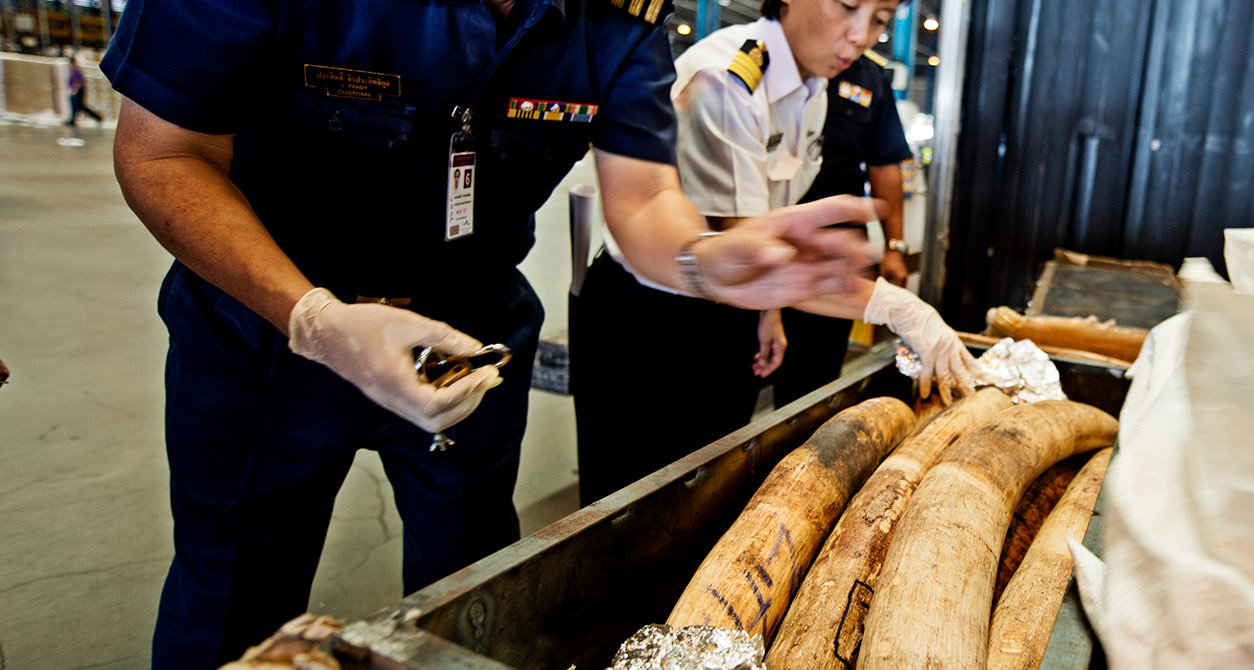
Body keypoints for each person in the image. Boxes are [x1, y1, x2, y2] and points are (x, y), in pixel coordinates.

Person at [101, 0, 880, 666]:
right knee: (236, 592)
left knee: (474, 598)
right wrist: (316, 319)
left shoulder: (618, 15)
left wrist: (706, 261)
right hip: (265, 328)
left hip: (471, 338)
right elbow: (164, 152)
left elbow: (641, 197)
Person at [570, 0, 977, 506]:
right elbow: (751, 254)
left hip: (728, 302)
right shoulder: (729, 80)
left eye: (880, 18)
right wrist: (898, 307)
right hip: (651, 316)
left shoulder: (813, 88)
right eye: (848, 6)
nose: (860, 34)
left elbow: (758, 247)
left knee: (705, 495)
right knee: (628, 508)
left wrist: (769, 315)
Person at [770, 52, 914, 407]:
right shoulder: (766, 58)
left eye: (876, 19)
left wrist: (894, 246)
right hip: (767, 243)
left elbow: (885, 164)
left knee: (813, 382)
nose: (857, 32)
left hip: (833, 254)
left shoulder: (870, 77)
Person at [65, 56, 102, 126]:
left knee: (80, 106)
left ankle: (97, 117)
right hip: (74, 91)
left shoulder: (77, 72)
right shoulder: (73, 72)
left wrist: (74, 90)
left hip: (77, 92)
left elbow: (79, 82)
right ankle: (72, 120)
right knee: (75, 106)